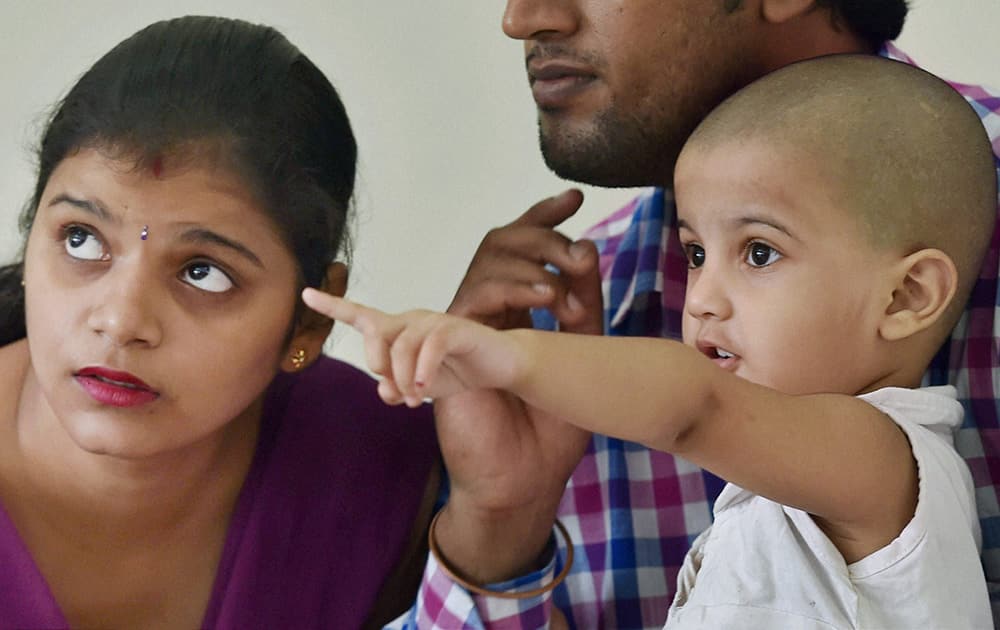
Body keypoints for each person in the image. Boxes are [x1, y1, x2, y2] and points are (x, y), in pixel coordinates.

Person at [312, 55, 995, 628]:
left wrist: (509, 357)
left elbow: (696, 407)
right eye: (697, 253)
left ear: (906, 298)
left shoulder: (887, 461)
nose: (701, 299)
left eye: (758, 253)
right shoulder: (779, 496)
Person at [0, 16, 439, 629]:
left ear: (306, 324)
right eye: (80, 239)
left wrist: (499, 530)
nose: (122, 320)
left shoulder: (381, 468)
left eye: (203, 272)